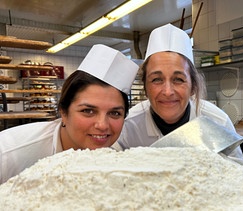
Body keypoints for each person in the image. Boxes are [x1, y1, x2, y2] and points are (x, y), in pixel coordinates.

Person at [0, 44, 139, 184]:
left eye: (115, 113)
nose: (102, 125)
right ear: (63, 112)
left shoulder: (117, 160)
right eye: (88, 111)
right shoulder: (9, 153)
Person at [116, 23, 243, 159]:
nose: (167, 92)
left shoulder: (218, 123)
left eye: (178, 79)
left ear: (193, 86)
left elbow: (240, 174)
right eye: (156, 80)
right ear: (145, 89)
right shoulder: (129, 127)